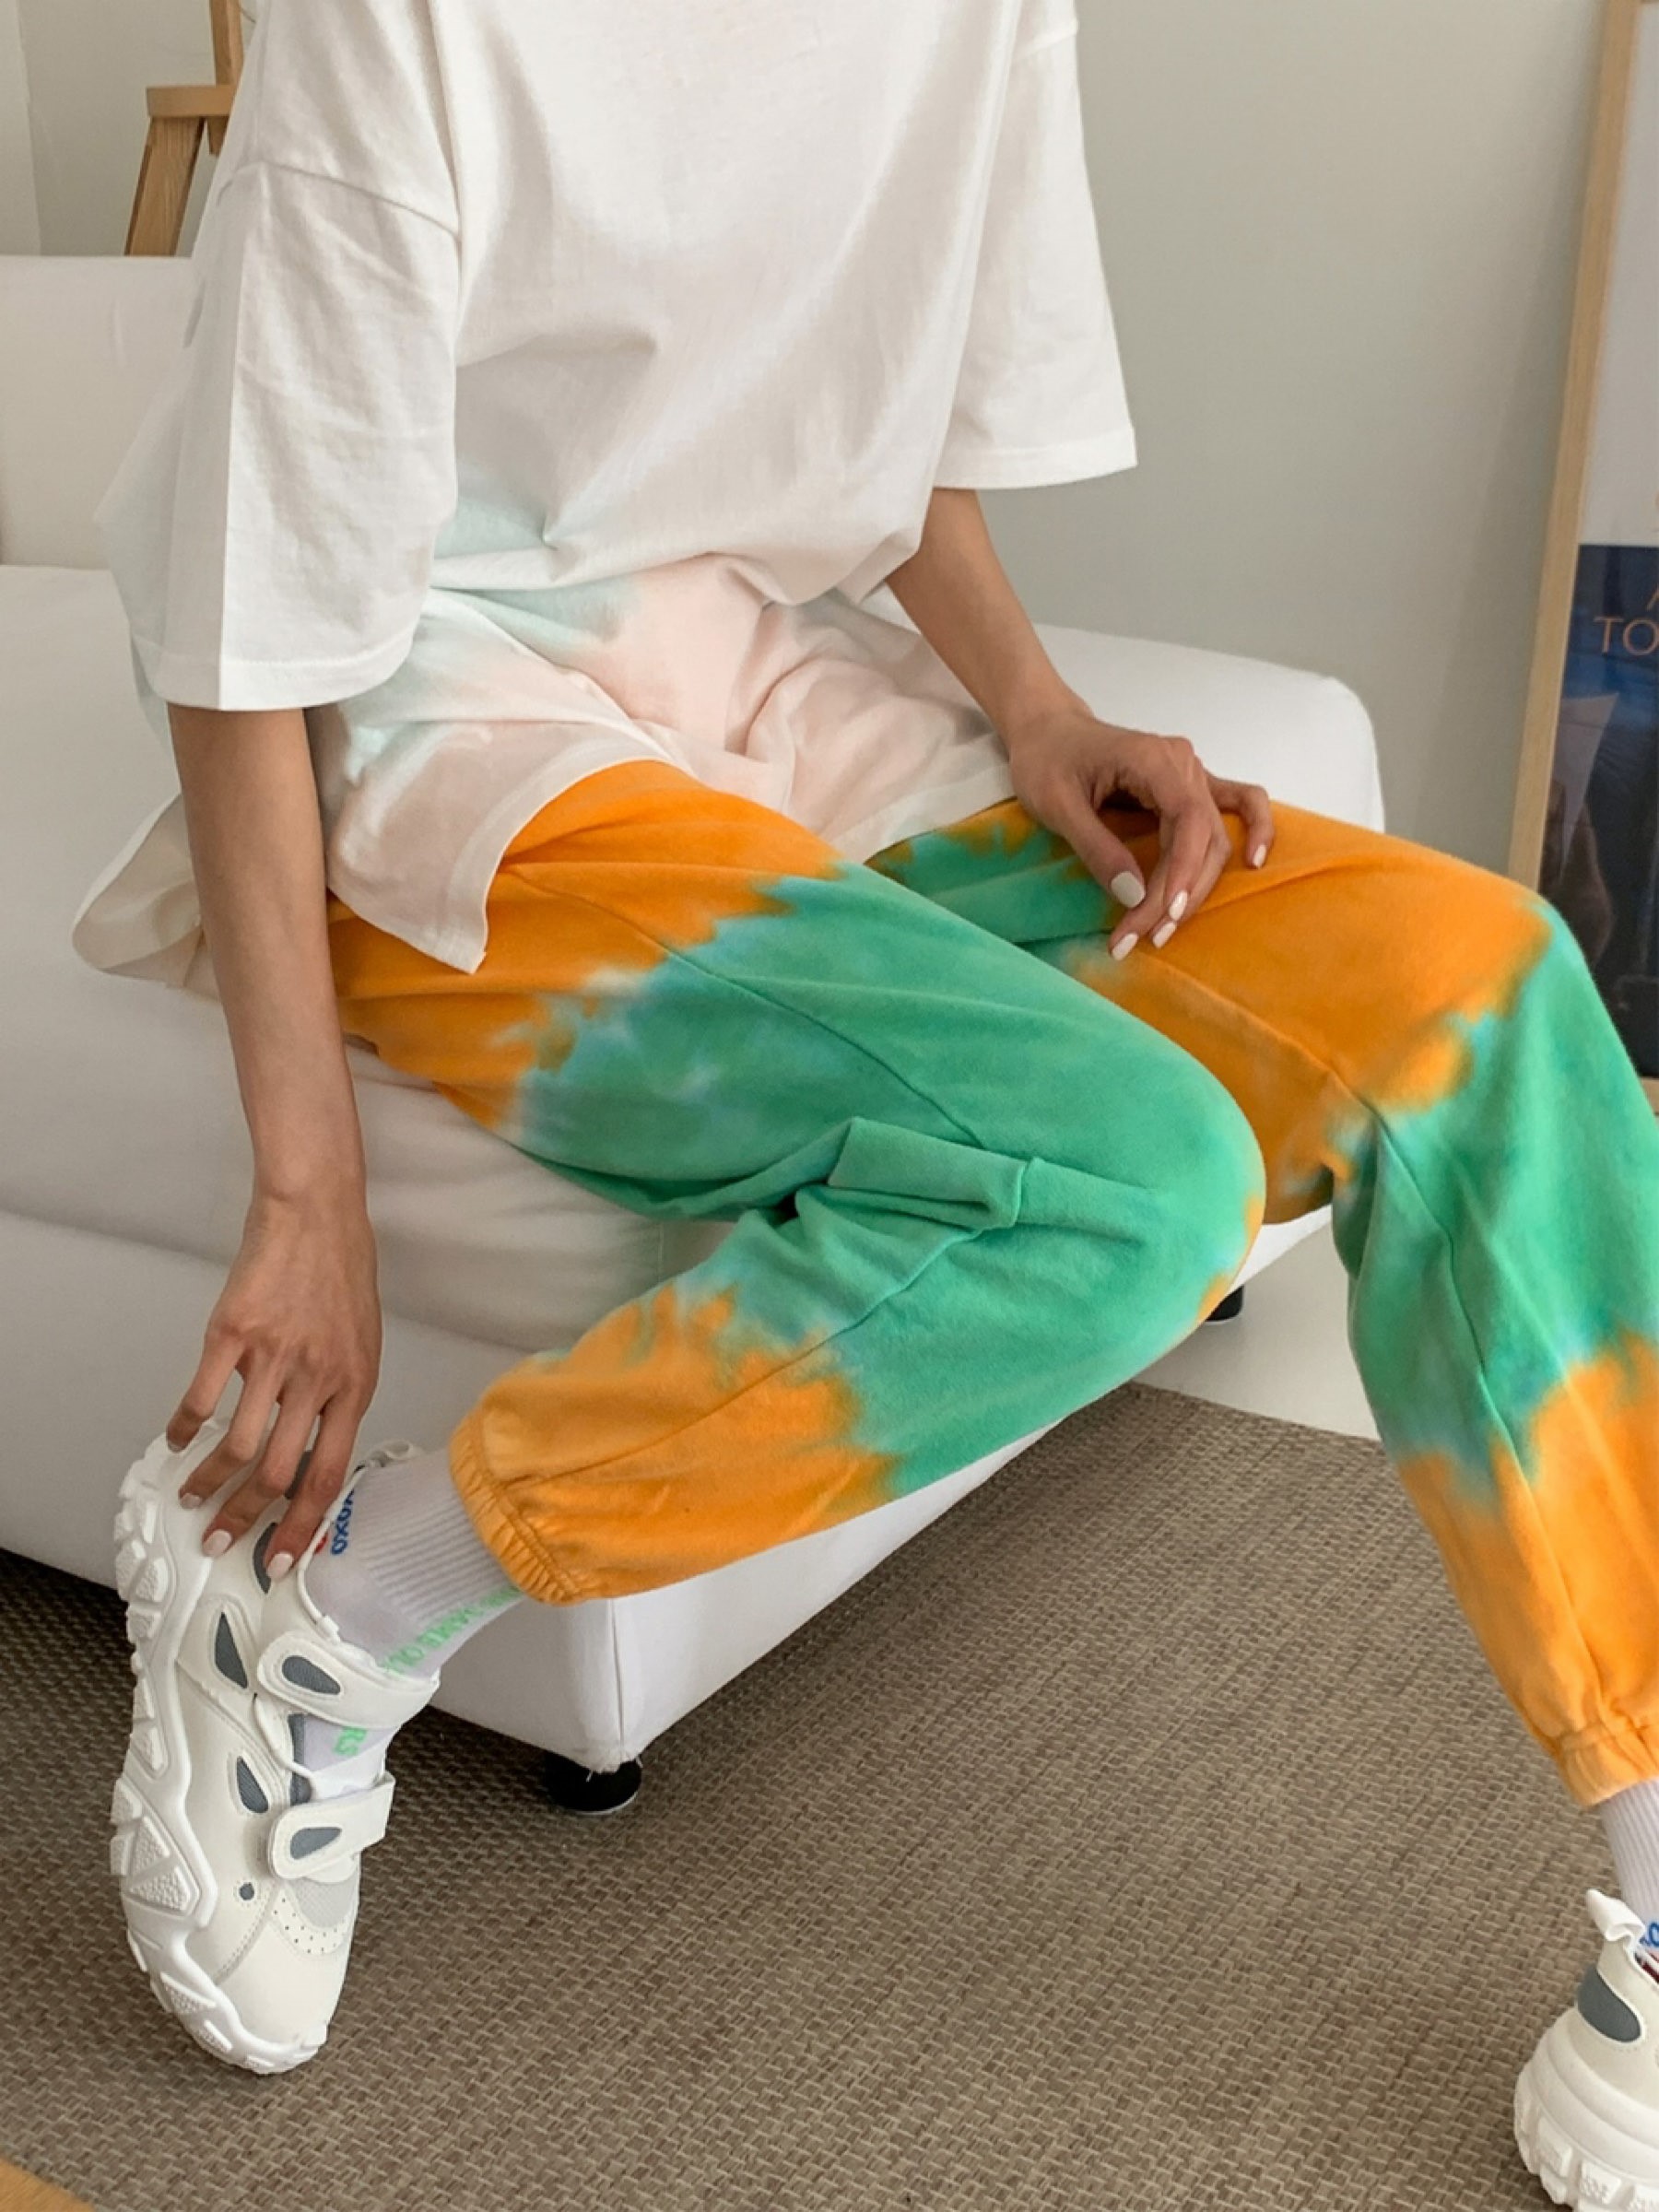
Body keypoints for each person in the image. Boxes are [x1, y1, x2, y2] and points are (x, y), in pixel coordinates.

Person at [78, 1, 1659, 2198]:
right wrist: (305, 1190)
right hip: (434, 719)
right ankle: (329, 1602)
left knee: (1483, 989)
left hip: (763, 679)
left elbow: (877, 411)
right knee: (1130, 1184)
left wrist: (1036, 709)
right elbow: (250, 614)